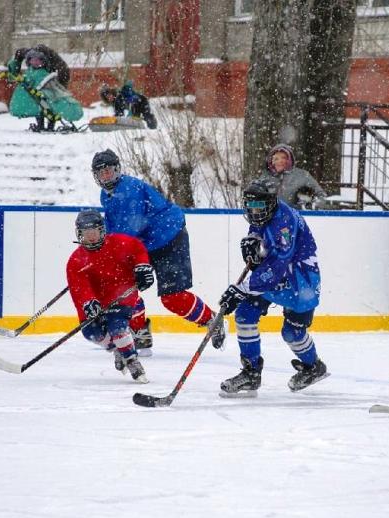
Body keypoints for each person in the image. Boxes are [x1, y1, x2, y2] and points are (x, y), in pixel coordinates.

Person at [90, 149, 225, 350]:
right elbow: (114, 230)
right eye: (101, 173)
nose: (106, 176)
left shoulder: (129, 190)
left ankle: (212, 320)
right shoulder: (106, 195)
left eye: (109, 170)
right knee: (122, 288)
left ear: (117, 169)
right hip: (142, 244)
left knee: (172, 298)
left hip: (169, 239)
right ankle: (139, 331)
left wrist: (113, 258)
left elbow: (129, 230)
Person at [217, 180, 328, 395]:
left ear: (270, 203)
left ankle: (314, 367)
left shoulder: (284, 223)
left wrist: (242, 288)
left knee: (292, 333)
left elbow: (277, 266)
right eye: (251, 207)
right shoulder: (264, 213)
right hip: (276, 276)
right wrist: (253, 241)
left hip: (300, 281)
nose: (254, 212)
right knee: (245, 313)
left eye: (259, 207)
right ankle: (251, 374)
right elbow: (259, 230)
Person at [67, 209, 152, 383]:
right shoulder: (75, 261)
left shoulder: (119, 242)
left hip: (121, 294)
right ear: (79, 233)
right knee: (91, 332)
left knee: (117, 327)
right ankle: (117, 350)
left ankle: (132, 360)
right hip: (96, 300)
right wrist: (88, 302)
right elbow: (79, 289)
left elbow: (138, 249)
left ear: (102, 230)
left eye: (94, 232)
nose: (91, 237)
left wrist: (142, 266)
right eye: (86, 233)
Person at [6, 47, 82, 133]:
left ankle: (50, 126)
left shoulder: (44, 72)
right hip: (35, 97)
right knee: (39, 111)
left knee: (50, 110)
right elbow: (24, 78)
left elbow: (48, 82)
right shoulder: (29, 71)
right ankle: (40, 125)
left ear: (43, 62)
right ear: (29, 61)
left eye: (38, 60)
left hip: (47, 95)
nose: (35, 62)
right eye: (33, 60)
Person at [259, 144, 327, 210]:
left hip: (297, 217)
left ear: (289, 160)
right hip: (272, 218)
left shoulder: (303, 175)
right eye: (276, 159)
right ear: (271, 161)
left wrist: (312, 205)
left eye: (284, 158)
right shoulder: (265, 177)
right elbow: (254, 199)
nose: (280, 161)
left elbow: (321, 195)